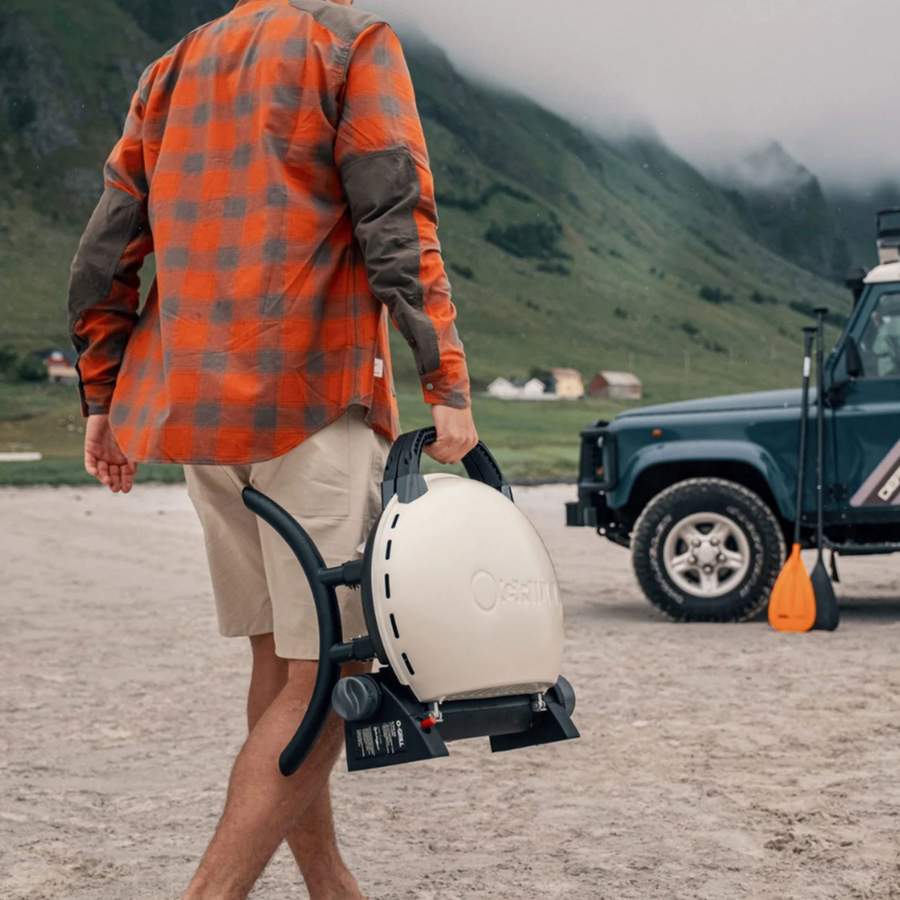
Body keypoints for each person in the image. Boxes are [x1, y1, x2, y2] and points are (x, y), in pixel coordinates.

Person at [66, 0, 477, 896]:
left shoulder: (172, 69)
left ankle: (330, 885)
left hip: (201, 415)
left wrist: (102, 396)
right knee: (335, 665)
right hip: (309, 403)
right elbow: (397, 220)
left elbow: (107, 248)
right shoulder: (351, 45)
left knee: (285, 661)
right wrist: (445, 380)